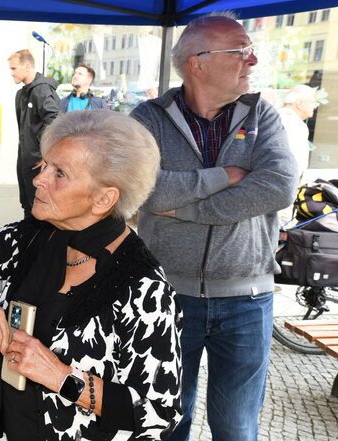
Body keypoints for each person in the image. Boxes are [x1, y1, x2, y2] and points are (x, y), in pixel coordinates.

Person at [0, 110, 182, 441]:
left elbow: (161, 414)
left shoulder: (145, 289)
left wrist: (62, 376)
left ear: (104, 198)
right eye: (44, 165)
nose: (39, 179)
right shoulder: (36, 236)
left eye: (60, 173)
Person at [129, 12, 298, 441]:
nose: (252, 61)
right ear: (198, 63)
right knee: (166, 422)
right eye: (240, 51)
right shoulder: (147, 120)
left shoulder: (263, 116)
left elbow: (277, 188)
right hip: (166, 295)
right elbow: (140, 191)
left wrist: (189, 209)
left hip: (248, 298)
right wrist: (226, 176)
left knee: (237, 428)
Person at [8, 49, 60, 219]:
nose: (11, 73)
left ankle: (38, 245)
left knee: (39, 209)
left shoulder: (41, 90)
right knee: (27, 206)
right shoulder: (21, 94)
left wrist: (46, 155)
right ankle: (29, 244)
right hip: (24, 160)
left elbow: (54, 120)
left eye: (14, 68)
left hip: (38, 163)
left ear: (28, 66)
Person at [279, 84, 317, 180]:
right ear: (300, 104)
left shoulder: (278, 117)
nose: (315, 106)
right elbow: (293, 161)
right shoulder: (293, 124)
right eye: (312, 102)